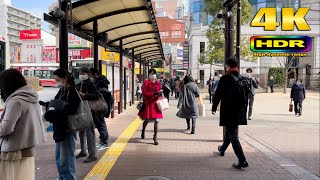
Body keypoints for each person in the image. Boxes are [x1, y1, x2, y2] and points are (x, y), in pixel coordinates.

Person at [0, 69, 45, 180]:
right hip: (26, 149)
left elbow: (5, 128)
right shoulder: (30, 97)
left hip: (13, 151)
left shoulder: (15, 101)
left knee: (10, 176)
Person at [211, 57, 249, 169]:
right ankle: (222, 149)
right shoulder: (242, 78)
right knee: (230, 131)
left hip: (228, 111)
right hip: (240, 111)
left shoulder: (225, 78)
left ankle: (242, 160)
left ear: (227, 66)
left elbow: (218, 94)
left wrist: (214, 107)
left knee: (232, 135)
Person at [44, 68, 81, 179]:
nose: (56, 80)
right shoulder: (62, 90)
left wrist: (60, 109)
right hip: (60, 126)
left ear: (65, 78)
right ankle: (62, 177)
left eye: (57, 78)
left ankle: (69, 177)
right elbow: (56, 102)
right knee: (59, 156)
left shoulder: (72, 90)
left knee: (67, 156)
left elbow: (73, 108)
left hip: (68, 126)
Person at [76, 67, 99, 163]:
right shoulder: (81, 83)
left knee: (90, 133)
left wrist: (85, 95)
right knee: (81, 132)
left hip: (90, 111)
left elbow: (96, 96)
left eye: (82, 73)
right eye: (80, 73)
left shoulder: (91, 83)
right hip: (82, 110)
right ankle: (83, 151)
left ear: (87, 74)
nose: (81, 75)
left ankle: (92, 154)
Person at [138, 68, 163, 145]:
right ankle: (143, 130)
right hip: (148, 104)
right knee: (146, 120)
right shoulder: (146, 82)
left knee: (156, 121)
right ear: (149, 74)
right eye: (151, 74)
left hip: (156, 104)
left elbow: (159, 91)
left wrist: (160, 93)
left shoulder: (158, 83)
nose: (153, 75)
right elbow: (144, 93)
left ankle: (155, 137)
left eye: (153, 74)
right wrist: (153, 93)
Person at [89, 68, 110, 151]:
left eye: (90, 74)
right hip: (101, 106)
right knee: (100, 123)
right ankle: (102, 141)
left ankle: (104, 142)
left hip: (99, 107)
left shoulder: (100, 82)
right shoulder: (101, 81)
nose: (90, 76)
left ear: (95, 74)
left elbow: (101, 94)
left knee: (101, 124)